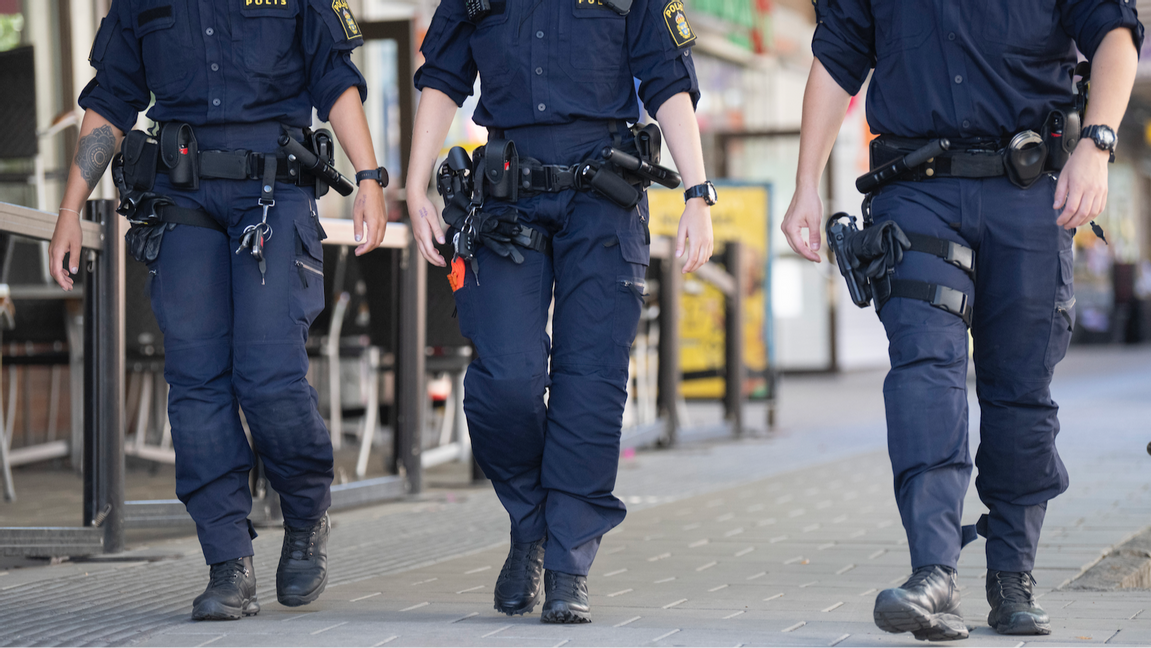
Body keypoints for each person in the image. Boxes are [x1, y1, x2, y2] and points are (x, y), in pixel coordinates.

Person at [782, 0, 1141, 640]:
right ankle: (934, 572)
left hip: (1029, 190)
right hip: (916, 190)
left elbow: (1115, 35)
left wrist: (1098, 141)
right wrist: (805, 181)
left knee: (1020, 388)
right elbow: (835, 58)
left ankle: (1012, 577)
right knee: (924, 366)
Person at [47, 1, 389, 621]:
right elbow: (112, 100)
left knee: (267, 377)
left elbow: (333, 77)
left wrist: (368, 176)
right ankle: (228, 562)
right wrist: (71, 210)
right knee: (196, 382)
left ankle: (307, 511)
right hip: (183, 198)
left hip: (274, 193)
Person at [406, 0, 714, 624]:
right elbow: (442, 75)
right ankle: (531, 521)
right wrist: (414, 184)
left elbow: (668, 81)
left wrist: (698, 191)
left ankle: (569, 561)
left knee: (590, 386)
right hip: (506, 195)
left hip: (605, 196)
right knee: (504, 382)